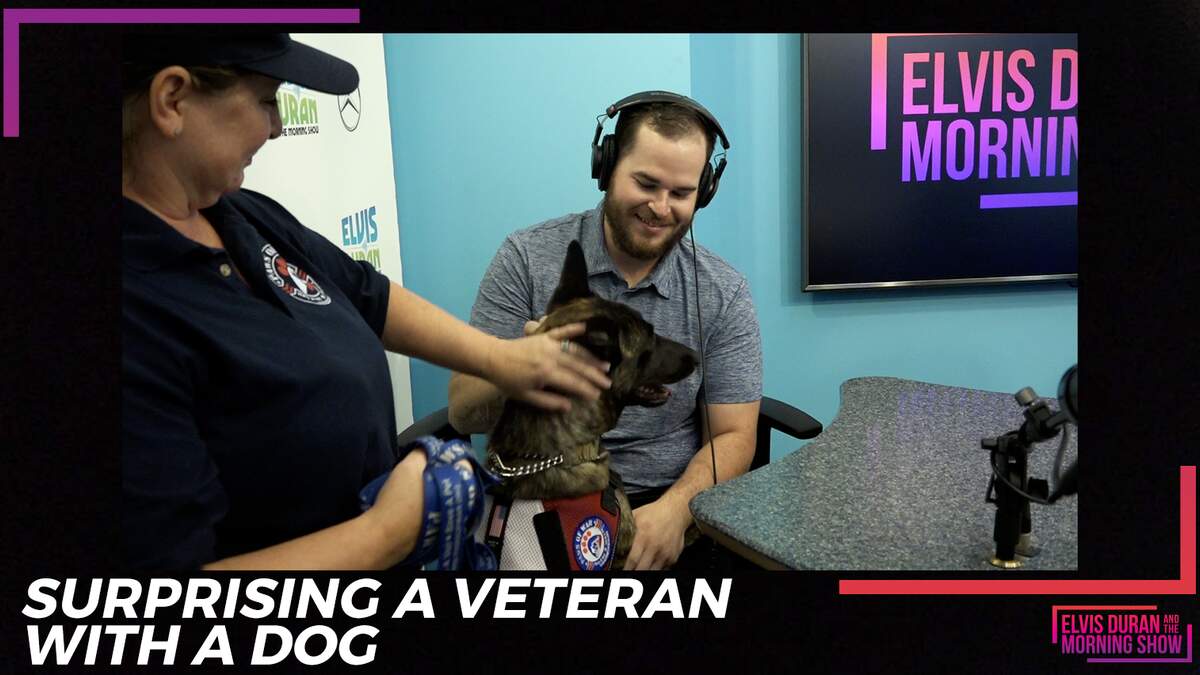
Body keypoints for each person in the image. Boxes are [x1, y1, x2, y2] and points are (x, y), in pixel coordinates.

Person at [121, 33, 612, 570]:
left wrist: (501, 358)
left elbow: (366, 295)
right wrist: (384, 534)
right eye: (266, 100)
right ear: (172, 99)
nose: (278, 126)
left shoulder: (243, 215)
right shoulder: (137, 313)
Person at [448, 92, 762, 571]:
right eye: (646, 183)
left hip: (660, 507)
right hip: (536, 503)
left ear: (705, 191)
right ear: (607, 166)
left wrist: (676, 513)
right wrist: (528, 361)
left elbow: (735, 434)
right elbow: (464, 411)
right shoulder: (526, 259)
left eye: (681, 193)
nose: (661, 207)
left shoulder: (723, 292)